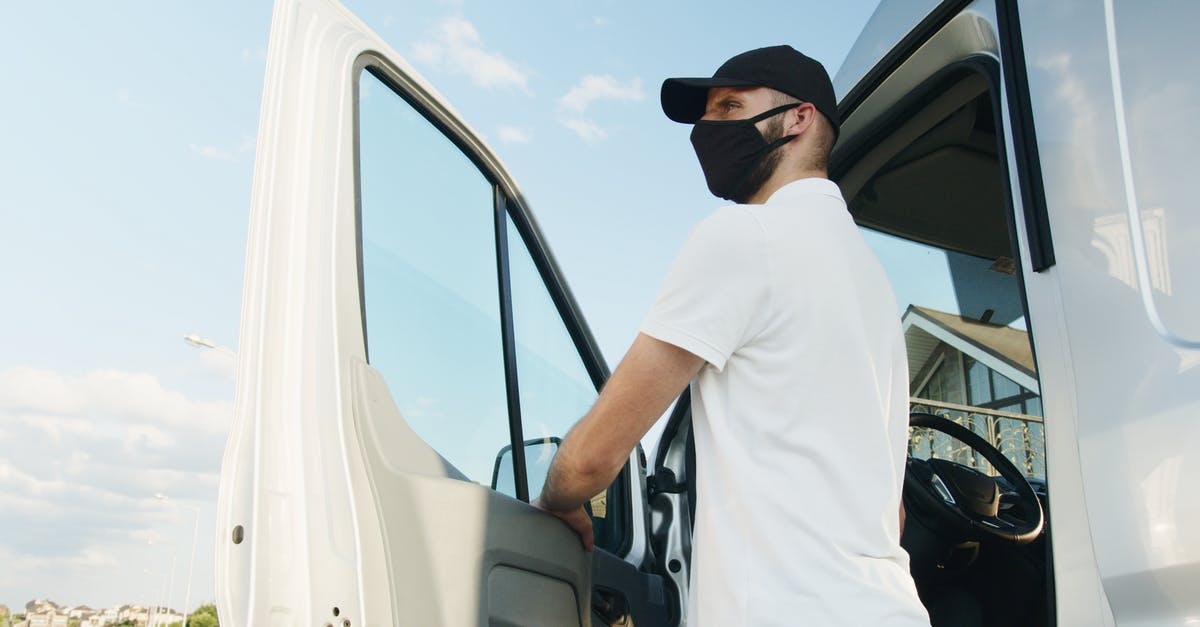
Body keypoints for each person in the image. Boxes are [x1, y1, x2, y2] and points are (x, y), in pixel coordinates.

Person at [533, 45, 929, 626]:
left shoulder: (747, 236)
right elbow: (887, 514)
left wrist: (554, 500)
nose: (708, 128)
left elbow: (593, 458)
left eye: (730, 106)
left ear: (799, 117)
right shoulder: (871, 283)